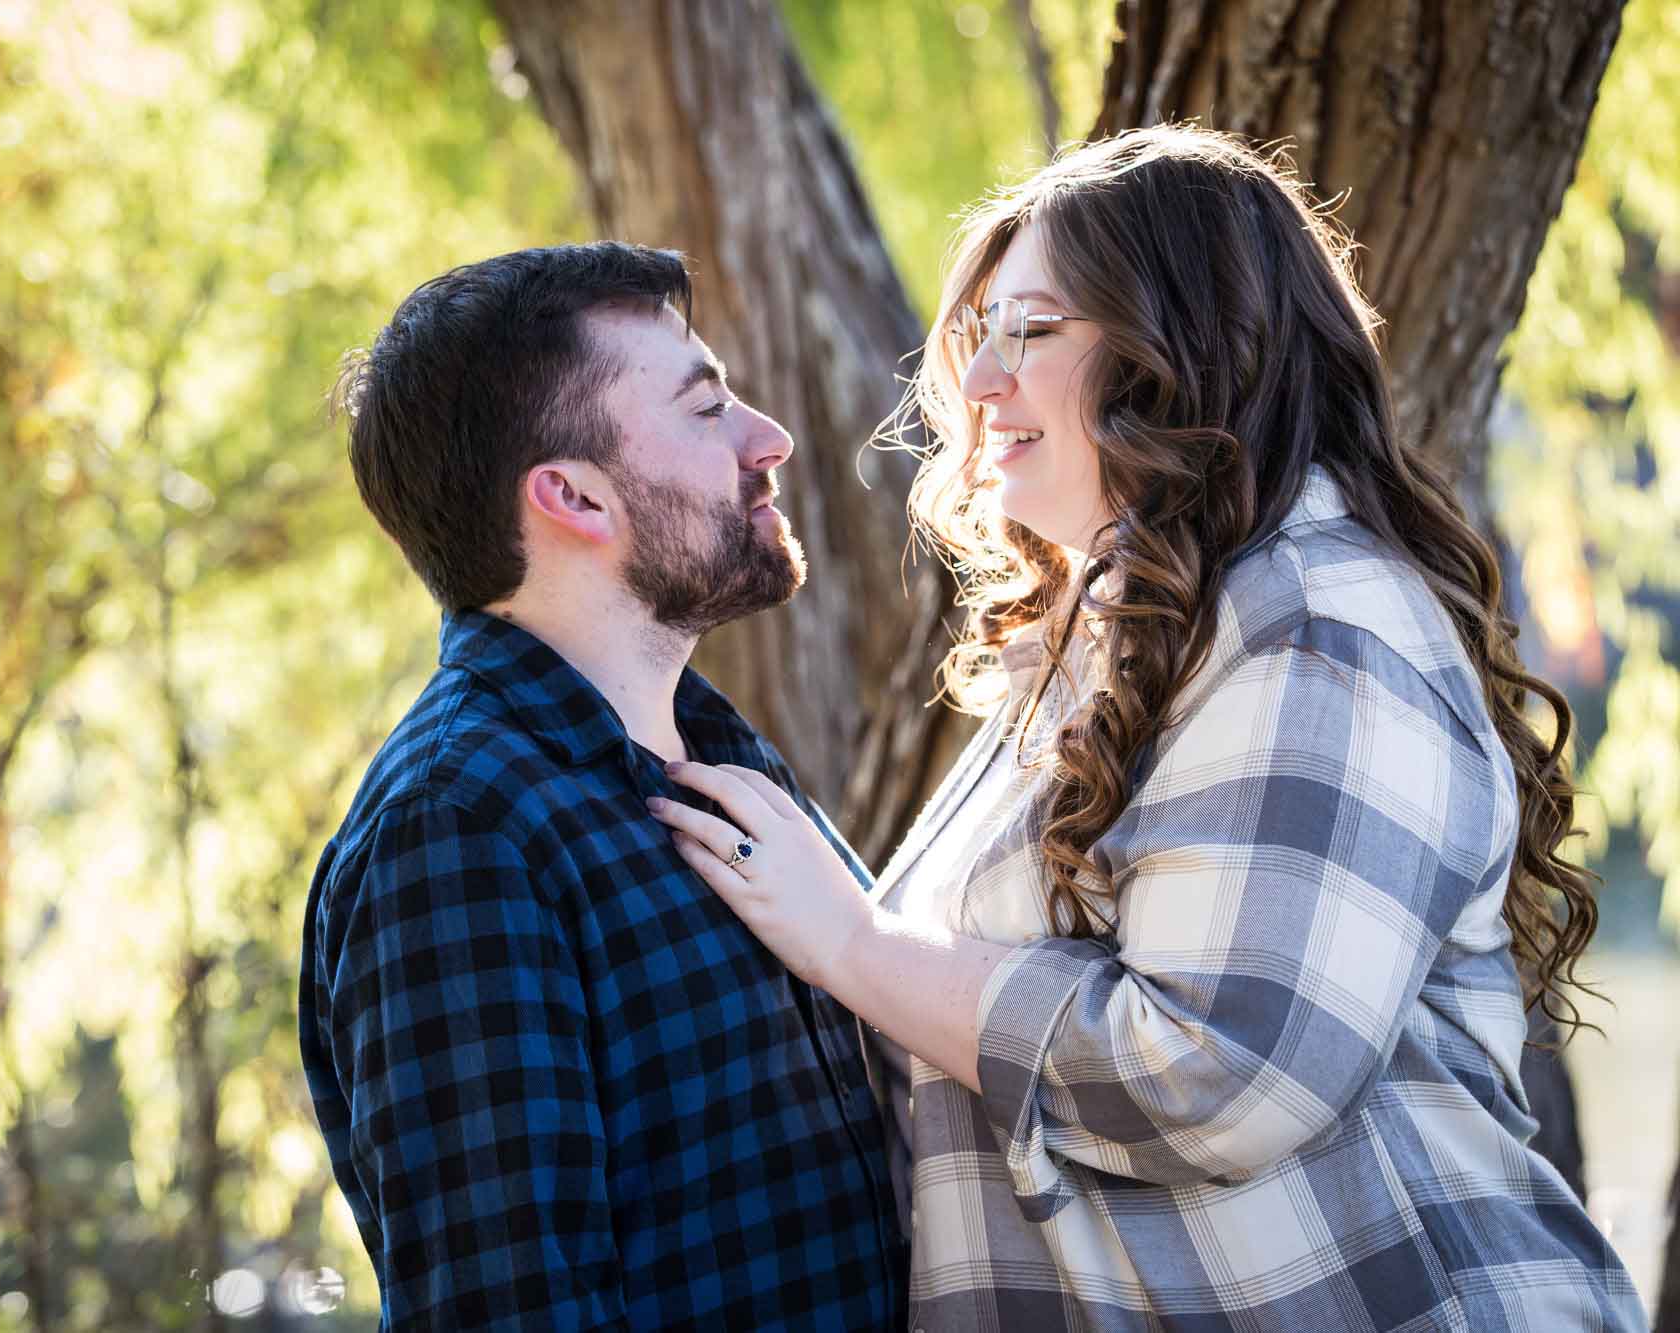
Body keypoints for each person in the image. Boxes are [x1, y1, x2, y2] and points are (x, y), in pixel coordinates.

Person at [648, 126, 1647, 1330]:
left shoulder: (1312, 623)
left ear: (1178, 348)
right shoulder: (1113, 637)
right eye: (979, 335)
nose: (975, 385)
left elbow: (1217, 1073)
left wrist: (856, 950)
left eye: (1030, 331)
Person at [299, 242, 905, 1330]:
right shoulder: (456, 831)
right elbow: (504, 1309)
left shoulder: (712, 754)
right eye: (707, 406)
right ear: (572, 495)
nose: (768, 439)